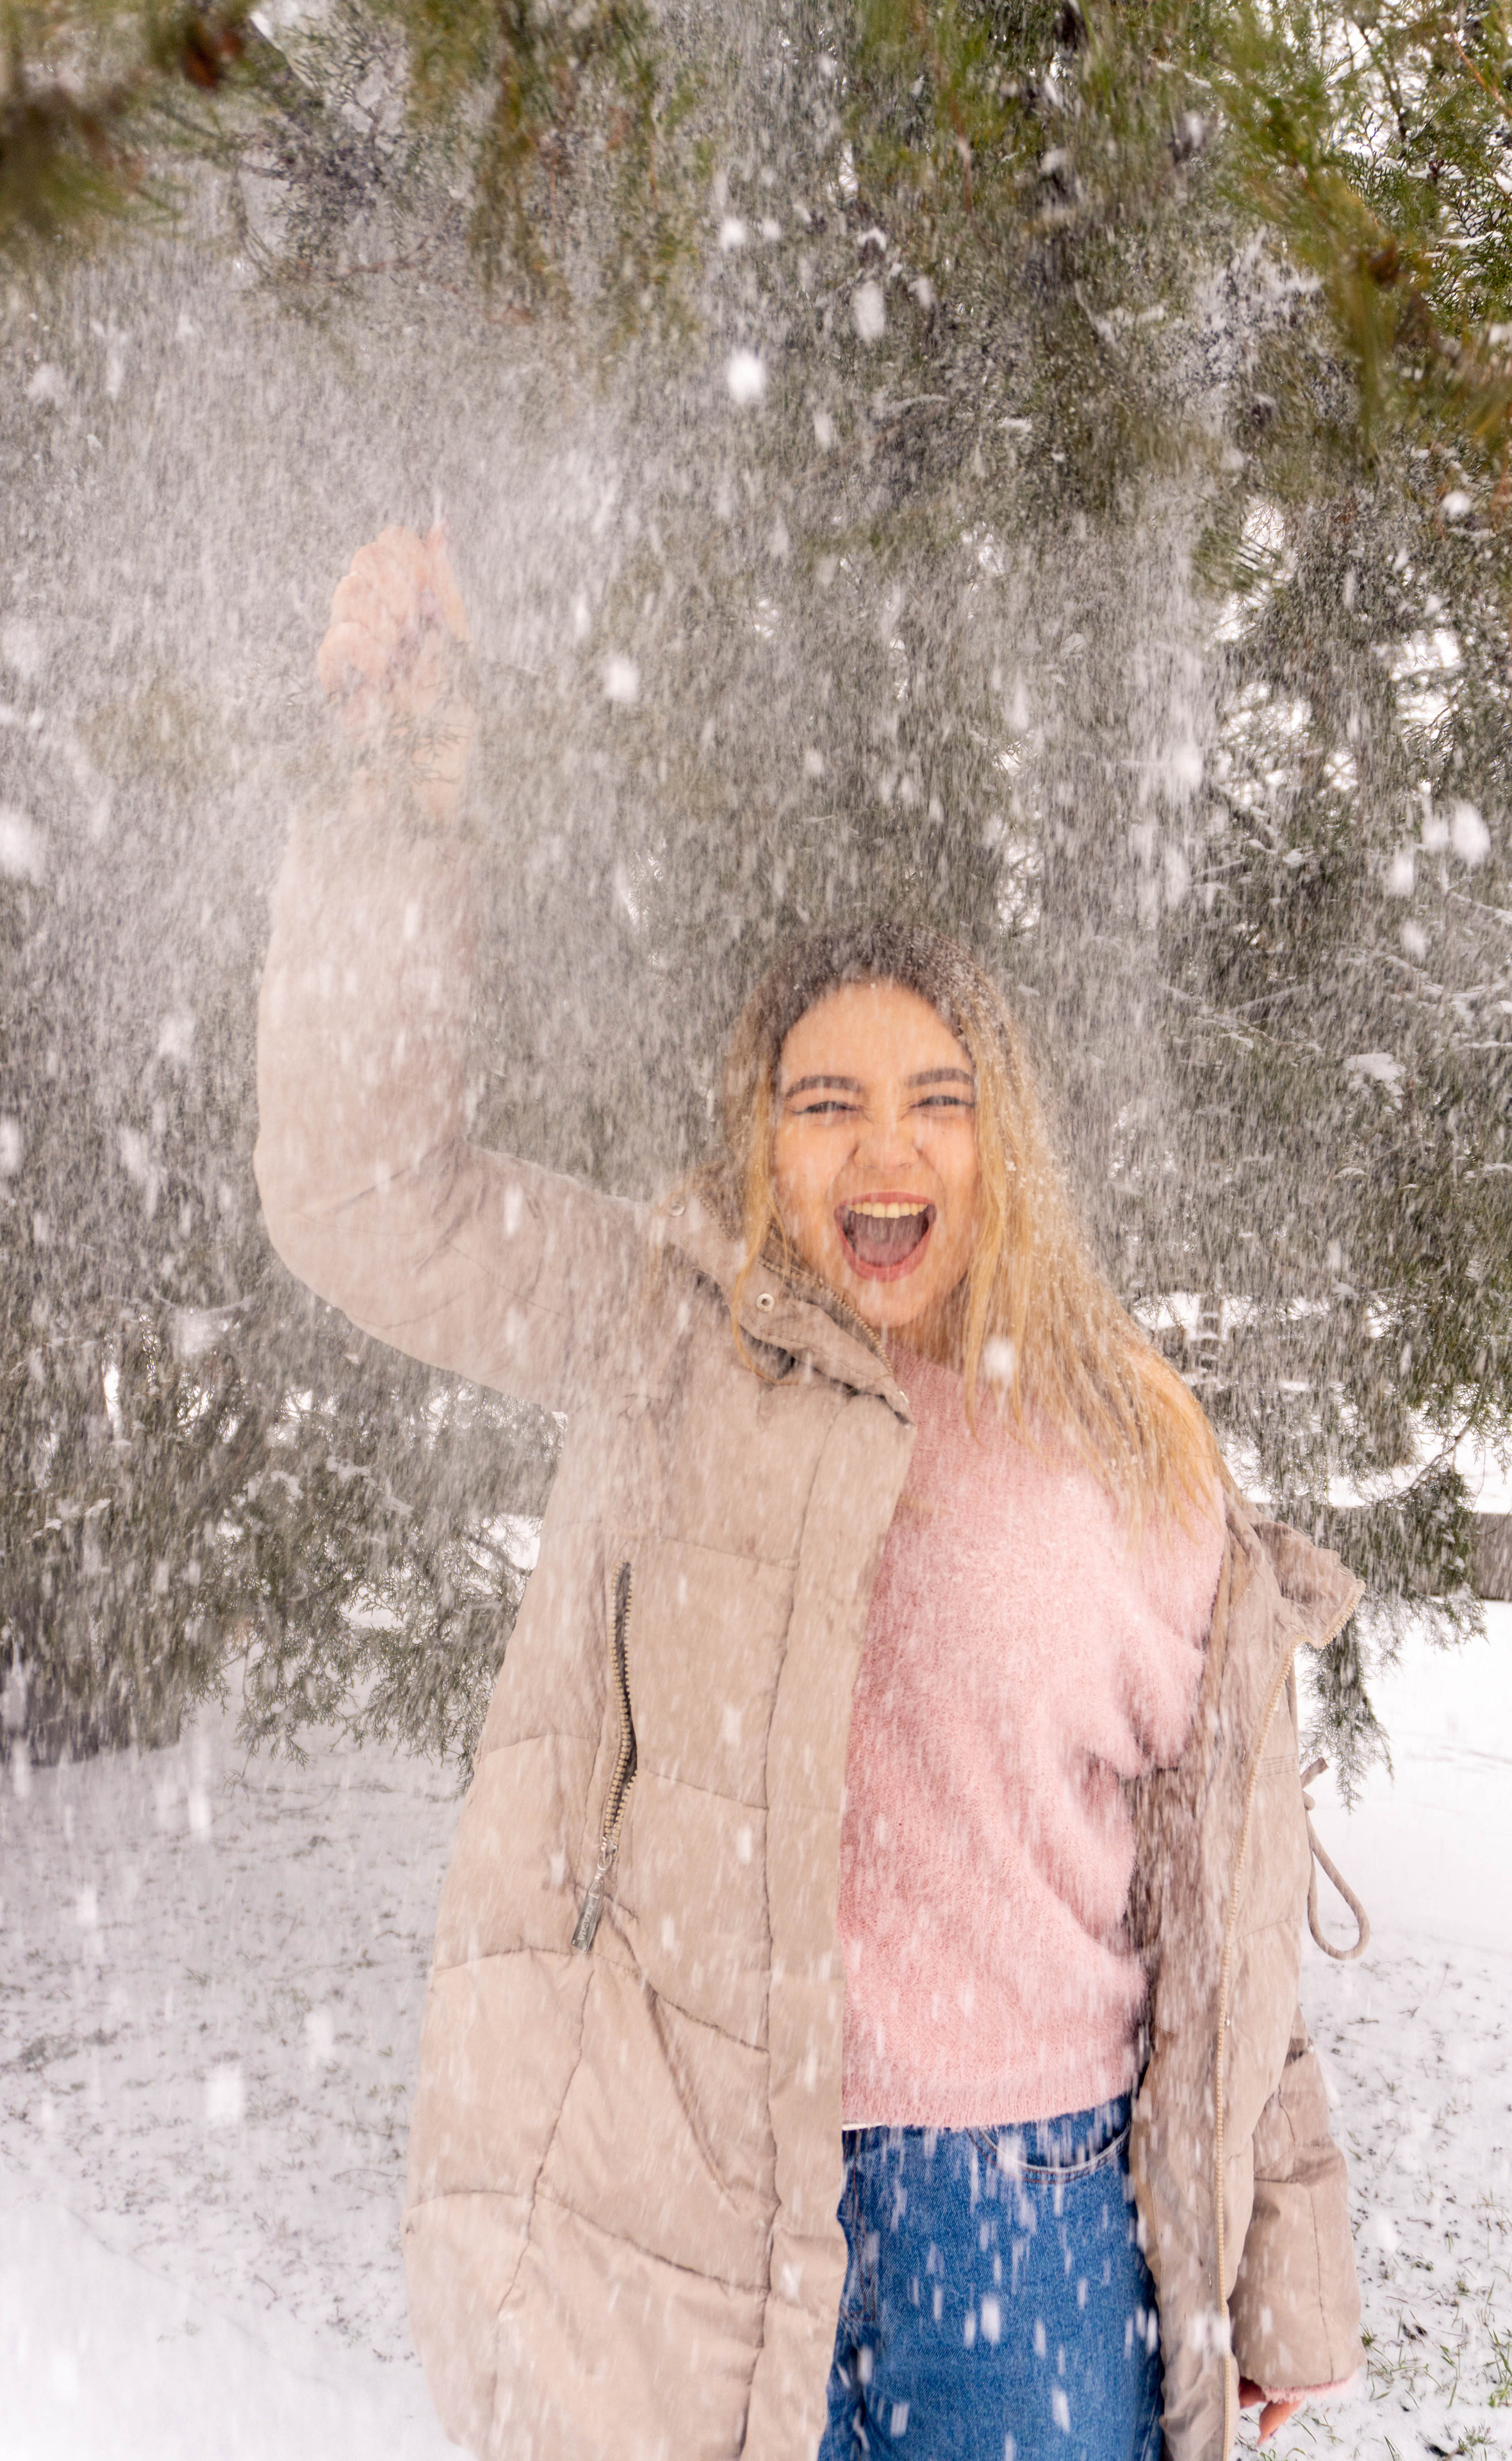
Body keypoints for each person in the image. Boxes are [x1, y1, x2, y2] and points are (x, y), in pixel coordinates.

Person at [255, 525, 1367, 2461]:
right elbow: (368, 1195)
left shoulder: (1138, 1447)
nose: (883, 1147)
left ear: (1001, 1138)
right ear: (759, 1143)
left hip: (1025, 2238)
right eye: (824, 1099)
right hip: (687, 2206)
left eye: (937, 1098)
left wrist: (1279, 2262)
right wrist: (393, 787)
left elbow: (1229, 1898)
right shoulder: (677, 1341)